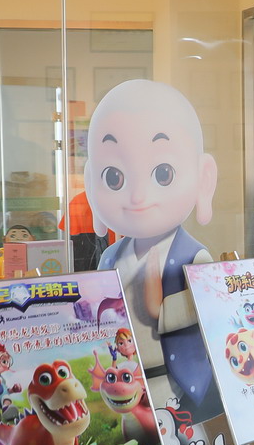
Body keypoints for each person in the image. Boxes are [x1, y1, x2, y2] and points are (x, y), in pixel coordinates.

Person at [87, 79, 223, 425]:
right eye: (114, 177)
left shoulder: (195, 257)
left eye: (163, 174)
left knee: (178, 442)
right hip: (122, 385)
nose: (137, 196)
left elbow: (211, 309)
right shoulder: (110, 258)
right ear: (90, 183)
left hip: (174, 383)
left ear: (203, 179)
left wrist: (161, 310)